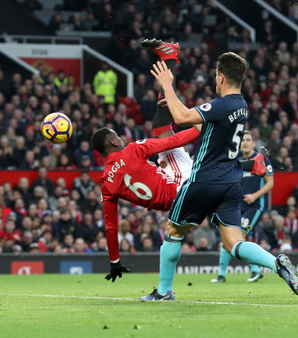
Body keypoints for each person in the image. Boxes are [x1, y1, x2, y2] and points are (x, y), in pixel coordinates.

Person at [91, 42, 266, 284]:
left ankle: (164, 291)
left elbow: (111, 227)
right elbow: (171, 140)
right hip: (179, 184)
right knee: (164, 133)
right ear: (113, 142)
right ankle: (170, 57)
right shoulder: (132, 151)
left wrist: (114, 261)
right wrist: (204, 127)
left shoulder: (105, 185)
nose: (121, 137)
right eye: (117, 136)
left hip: (171, 195)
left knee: (174, 140)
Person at [142, 48, 298, 301]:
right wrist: (175, 102)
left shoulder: (221, 104)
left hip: (204, 179)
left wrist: (167, 85)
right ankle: (277, 263)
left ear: (221, 78)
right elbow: (202, 122)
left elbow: (184, 118)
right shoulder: (241, 105)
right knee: (233, 243)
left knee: (172, 229)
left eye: (216, 74)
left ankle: (163, 292)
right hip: (230, 184)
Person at [211, 130, 274, 283]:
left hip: (254, 206)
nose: (245, 142)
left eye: (248, 140)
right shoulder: (237, 161)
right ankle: (226, 274)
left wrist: (254, 196)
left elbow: (271, 183)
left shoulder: (260, 160)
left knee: (240, 236)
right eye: (242, 140)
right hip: (236, 206)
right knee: (228, 236)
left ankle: (250, 271)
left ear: (254, 143)